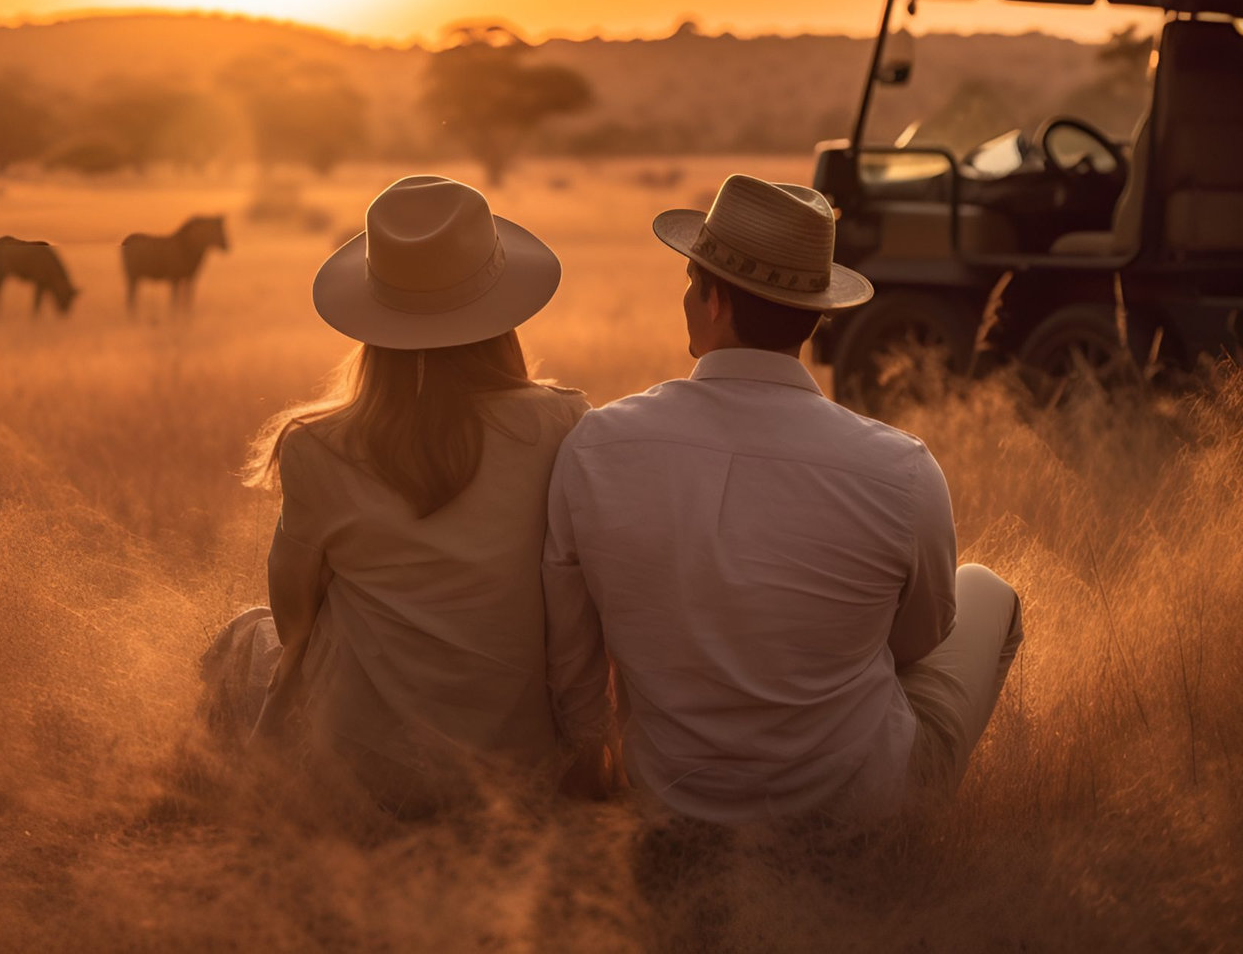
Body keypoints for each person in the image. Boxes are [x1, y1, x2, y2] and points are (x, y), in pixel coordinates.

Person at [543, 174, 1024, 822]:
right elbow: (918, 643)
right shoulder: (902, 469)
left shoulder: (596, 446)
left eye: (690, 282)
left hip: (671, 803)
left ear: (714, 303)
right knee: (988, 590)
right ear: (818, 312)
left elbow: (575, 662)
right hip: (859, 813)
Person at [204, 174, 588, 814]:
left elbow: (295, 619)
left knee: (245, 636)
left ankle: (232, 813)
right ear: (502, 309)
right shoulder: (563, 421)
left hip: (361, 771)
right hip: (513, 770)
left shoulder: (315, 444)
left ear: (373, 315)